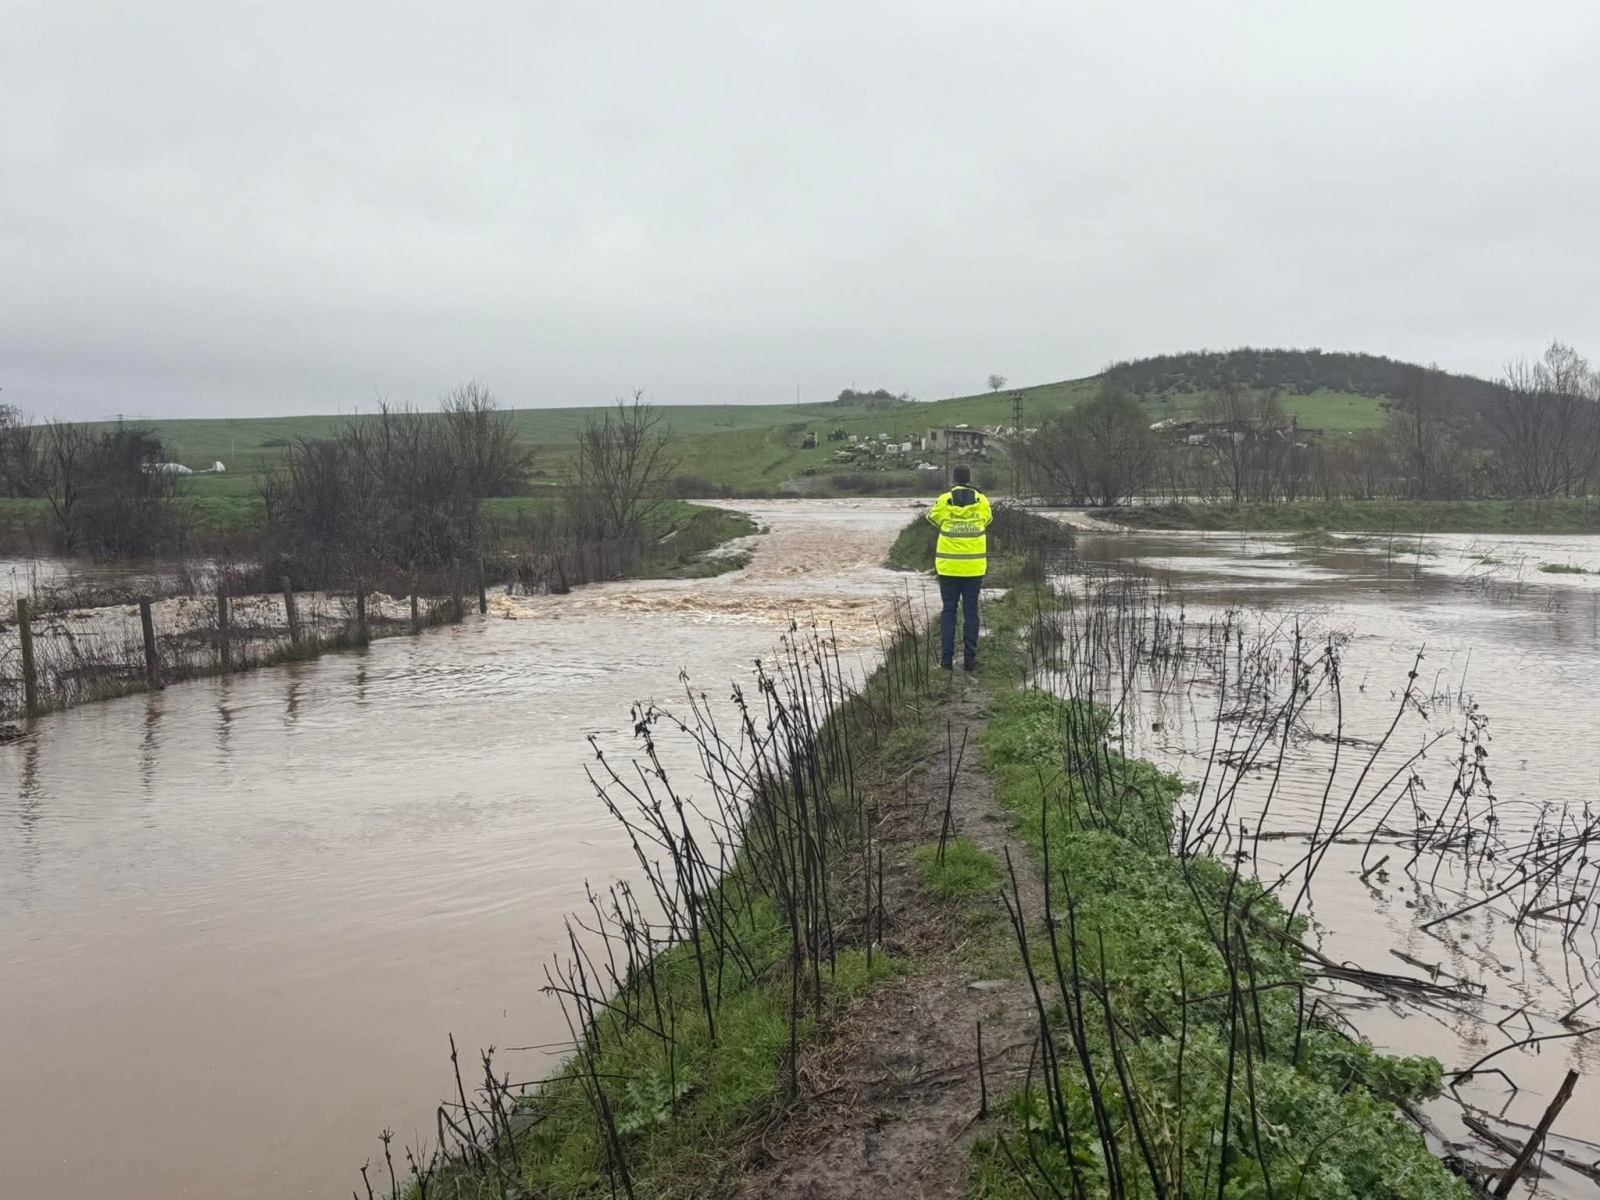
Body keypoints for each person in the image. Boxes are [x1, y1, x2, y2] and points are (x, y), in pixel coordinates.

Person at [926, 465, 992, 671]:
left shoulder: (944, 500)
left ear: (953, 479)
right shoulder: (981, 500)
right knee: (971, 611)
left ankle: (946, 661)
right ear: (969, 478)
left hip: (948, 568)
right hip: (974, 567)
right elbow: (988, 520)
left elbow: (932, 518)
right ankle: (970, 660)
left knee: (949, 611)